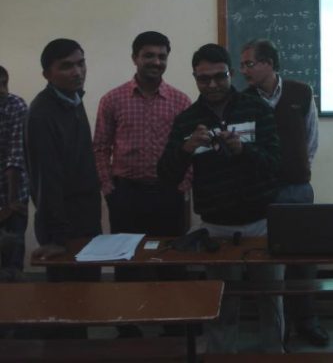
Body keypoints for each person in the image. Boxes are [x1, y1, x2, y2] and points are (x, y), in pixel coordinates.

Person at [157, 43, 283, 354]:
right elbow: (166, 176)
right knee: (221, 303)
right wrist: (186, 148)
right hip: (215, 228)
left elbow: (276, 165)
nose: (212, 84)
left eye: (219, 76)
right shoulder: (187, 120)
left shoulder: (257, 109)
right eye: (204, 79)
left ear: (231, 73)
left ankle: (274, 354)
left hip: (262, 224)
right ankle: (221, 356)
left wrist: (243, 150)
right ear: (195, 78)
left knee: (271, 301)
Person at [93, 31, 191, 338]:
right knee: (127, 263)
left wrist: (183, 186)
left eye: (162, 56)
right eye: (149, 55)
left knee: (170, 264)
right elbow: (100, 148)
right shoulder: (112, 99)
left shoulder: (180, 101)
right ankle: (128, 325)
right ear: (135, 58)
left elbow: (190, 148)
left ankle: (172, 324)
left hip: (167, 195)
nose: (156, 61)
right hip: (127, 195)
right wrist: (109, 189)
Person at [239, 39, 328, 347]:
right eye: (242, 65)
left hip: (297, 189)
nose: (244, 70)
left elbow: (311, 138)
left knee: (303, 259)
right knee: (267, 261)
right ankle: (278, 326)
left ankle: (307, 320)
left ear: (269, 64)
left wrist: (299, 169)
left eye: (249, 64)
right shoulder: (244, 100)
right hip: (261, 190)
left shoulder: (300, 93)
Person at [25, 39, 101, 338]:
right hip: (64, 229)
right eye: (66, 66)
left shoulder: (72, 99)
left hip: (85, 219)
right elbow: (46, 180)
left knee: (86, 301)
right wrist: (57, 237)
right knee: (66, 310)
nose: (77, 71)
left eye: (81, 63)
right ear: (47, 74)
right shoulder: (42, 114)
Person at [0, 66, 29, 280]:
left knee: (13, 262)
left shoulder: (16, 105)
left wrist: (10, 204)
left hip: (14, 192)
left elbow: (16, 155)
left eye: (5, 83)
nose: (3, 90)